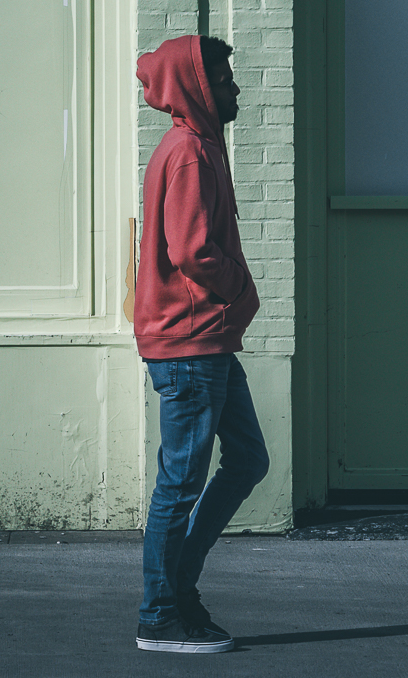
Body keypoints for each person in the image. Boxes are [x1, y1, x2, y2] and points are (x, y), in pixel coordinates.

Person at [132, 34, 268, 655]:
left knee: (247, 461)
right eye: (224, 79)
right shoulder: (189, 153)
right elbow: (191, 250)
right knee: (180, 483)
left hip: (206, 341)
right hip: (190, 345)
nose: (235, 88)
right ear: (198, 86)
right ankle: (160, 615)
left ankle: (178, 589)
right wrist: (238, 285)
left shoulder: (199, 147)